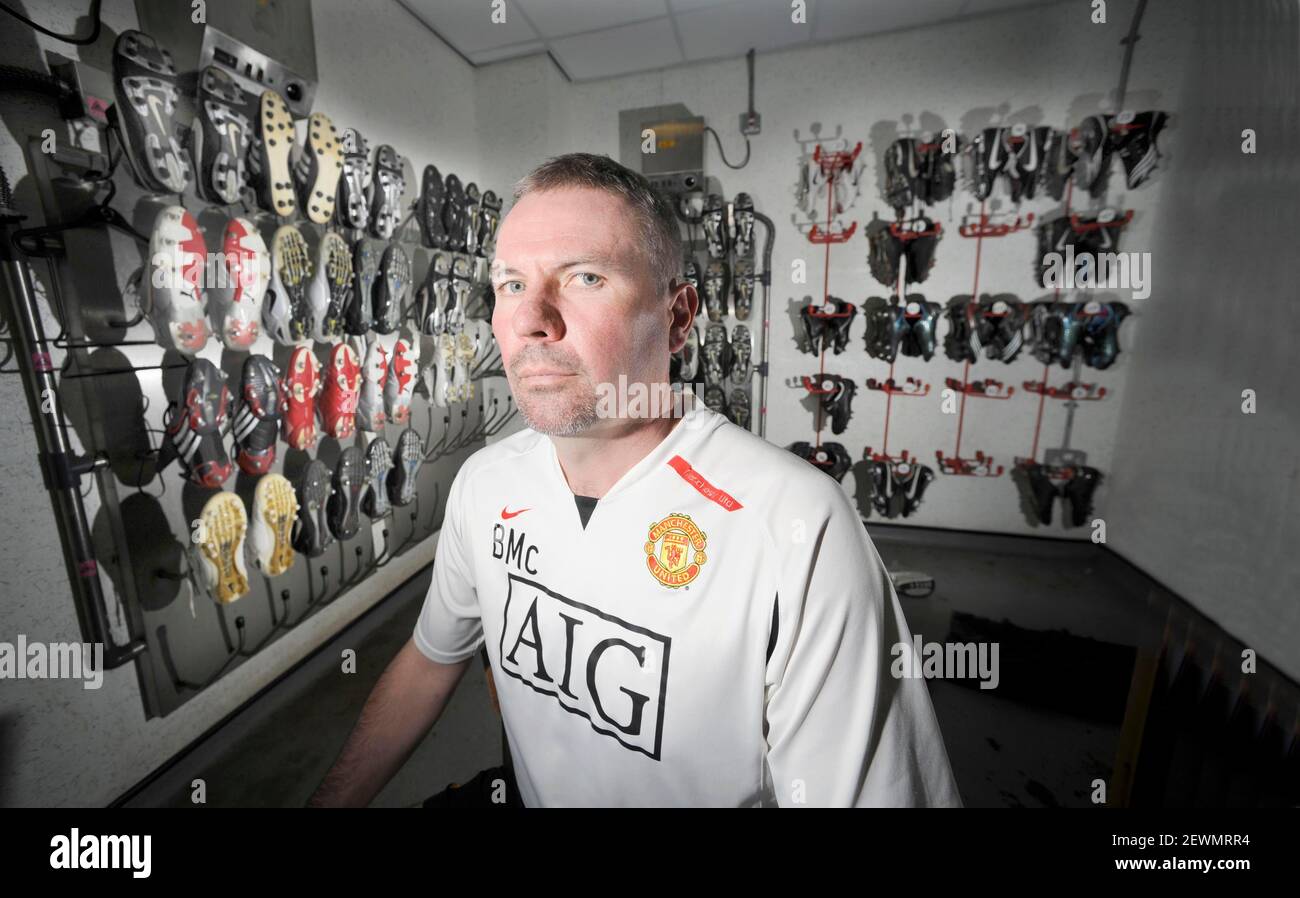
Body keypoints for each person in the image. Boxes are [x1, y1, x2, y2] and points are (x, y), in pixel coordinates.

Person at [309, 153, 961, 808]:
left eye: (586, 277)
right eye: (511, 284)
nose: (534, 318)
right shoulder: (485, 486)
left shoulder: (794, 526)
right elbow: (430, 663)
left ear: (678, 318)